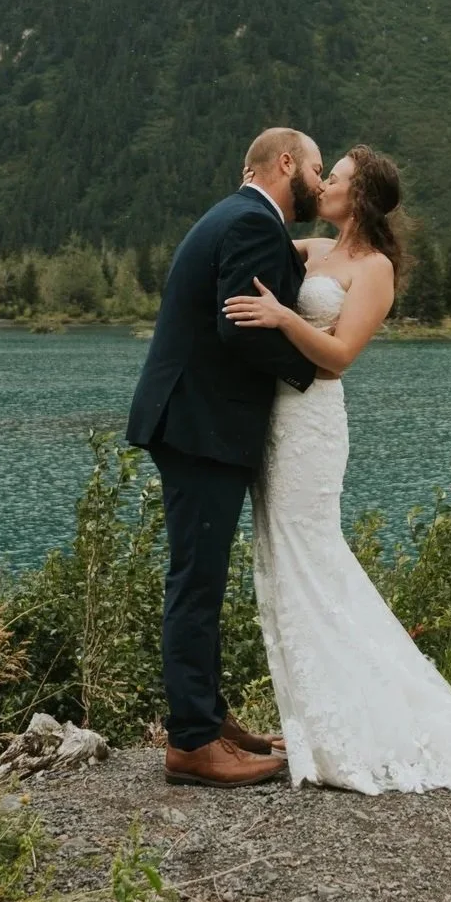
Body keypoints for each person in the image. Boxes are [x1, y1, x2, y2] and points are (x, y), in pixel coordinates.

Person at [222, 145, 451, 822]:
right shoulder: (310, 251)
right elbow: (253, 233)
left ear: (359, 196)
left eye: (333, 176)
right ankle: (314, 719)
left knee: (316, 558)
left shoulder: (376, 269)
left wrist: (282, 318)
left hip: (313, 425)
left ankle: (351, 727)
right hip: (274, 423)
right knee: (281, 560)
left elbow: (337, 359)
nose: (321, 181)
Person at [125, 126, 327, 788]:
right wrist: (316, 372)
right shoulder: (249, 220)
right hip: (198, 423)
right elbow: (238, 320)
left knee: (201, 576)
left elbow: (252, 296)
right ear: (286, 162)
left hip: (192, 418)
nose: (320, 186)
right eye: (317, 170)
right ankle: (191, 742)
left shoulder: (239, 217)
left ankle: (209, 718)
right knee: (197, 582)